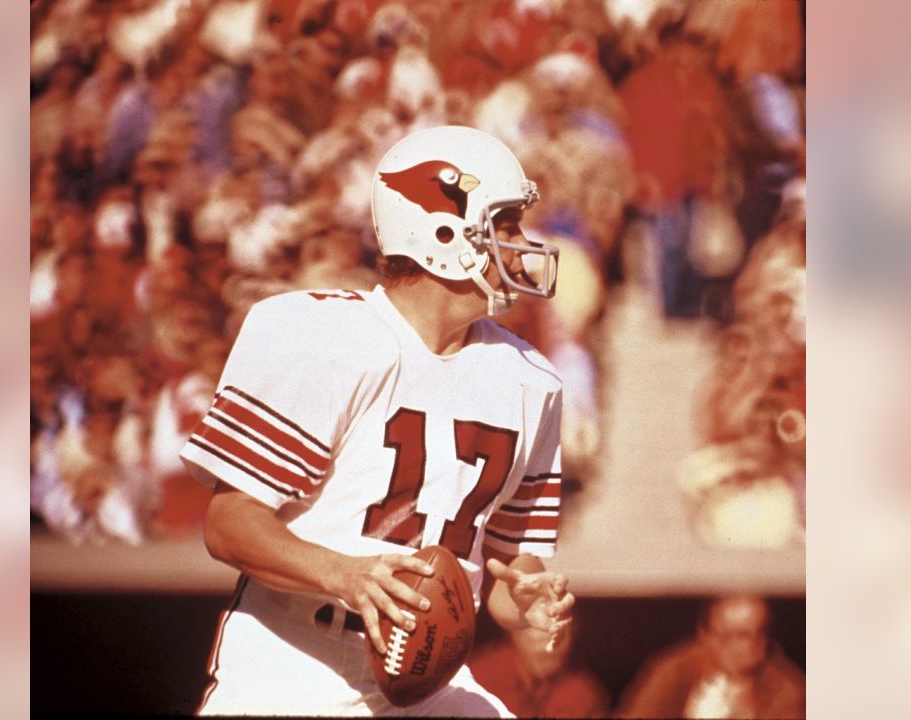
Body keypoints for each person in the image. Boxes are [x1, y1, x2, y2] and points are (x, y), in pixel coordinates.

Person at [180, 125, 575, 716]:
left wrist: (530, 603)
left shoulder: (528, 380)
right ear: (444, 232)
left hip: (428, 675)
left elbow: (510, 568)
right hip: (292, 664)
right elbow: (229, 524)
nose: (521, 243)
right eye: (506, 225)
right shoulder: (323, 337)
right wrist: (345, 575)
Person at [616, 595, 805, 719]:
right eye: (734, 635)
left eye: (758, 634)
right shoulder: (673, 670)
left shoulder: (786, 687)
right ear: (705, 634)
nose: (746, 646)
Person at [469, 623, 609, 718]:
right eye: (536, 639)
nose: (548, 649)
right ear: (513, 633)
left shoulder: (584, 694)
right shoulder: (476, 678)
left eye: (560, 637)